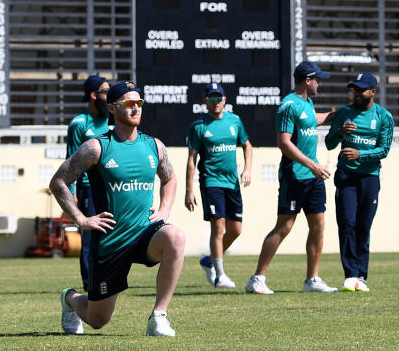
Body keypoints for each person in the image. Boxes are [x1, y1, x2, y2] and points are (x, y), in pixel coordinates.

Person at [51, 81, 186, 336]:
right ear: (112, 108)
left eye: (139, 103)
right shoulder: (96, 147)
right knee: (98, 319)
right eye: (128, 103)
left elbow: (169, 178)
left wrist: (165, 210)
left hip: (145, 233)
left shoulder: (154, 146)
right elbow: (58, 182)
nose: (136, 108)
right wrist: (81, 219)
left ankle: (158, 316)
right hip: (111, 242)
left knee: (176, 237)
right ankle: (70, 299)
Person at [246, 61, 338, 295]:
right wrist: (312, 165)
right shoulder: (288, 105)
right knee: (284, 226)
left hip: (313, 177)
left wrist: (335, 115)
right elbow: (283, 142)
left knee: (318, 226)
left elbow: (312, 119)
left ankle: (312, 280)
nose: (320, 83)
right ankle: (257, 278)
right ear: (308, 80)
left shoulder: (306, 103)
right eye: (318, 79)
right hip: (294, 176)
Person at [324, 72, 395, 292]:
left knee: (364, 226)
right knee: (347, 223)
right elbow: (328, 143)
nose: (355, 93)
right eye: (353, 89)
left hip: (370, 177)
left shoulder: (384, 117)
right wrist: (339, 132)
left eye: (360, 89)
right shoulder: (344, 113)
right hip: (346, 175)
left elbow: (384, 149)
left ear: (372, 92)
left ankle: (361, 277)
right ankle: (350, 275)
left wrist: (360, 155)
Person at [185, 82, 253, 289]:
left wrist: (247, 169)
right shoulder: (199, 126)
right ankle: (220, 275)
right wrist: (189, 190)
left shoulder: (235, 121)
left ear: (224, 100)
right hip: (211, 182)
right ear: (205, 101)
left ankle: (209, 260)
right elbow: (191, 160)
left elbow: (247, 146)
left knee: (236, 230)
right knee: (219, 226)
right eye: (211, 98)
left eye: (218, 98)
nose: (215, 102)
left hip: (232, 183)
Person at [66, 74, 111, 292]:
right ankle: (89, 283)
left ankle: (109, 278)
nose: (109, 95)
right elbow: (71, 160)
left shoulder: (114, 120)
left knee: (111, 233)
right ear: (94, 95)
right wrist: (73, 191)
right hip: (88, 188)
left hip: (112, 187)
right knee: (90, 235)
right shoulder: (79, 124)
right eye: (105, 91)